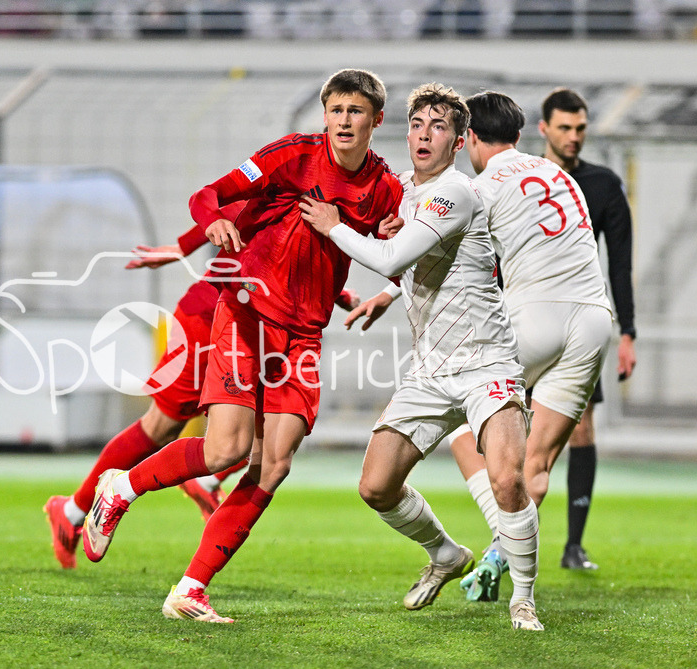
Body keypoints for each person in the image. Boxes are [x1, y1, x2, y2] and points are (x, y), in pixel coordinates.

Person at [81, 68, 404, 623]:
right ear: (324, 115)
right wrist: (211, 226)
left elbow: (391, 243)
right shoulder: (292, 156)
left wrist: (392, 260)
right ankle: (120, 489)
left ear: (376, 120)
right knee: (224, 451)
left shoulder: (386, 188)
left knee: (273, 465)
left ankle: (190, 589)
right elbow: (209, 195)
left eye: (356, 112)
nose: (343, 121)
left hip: (303, 334)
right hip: (247, 312)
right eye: (335, 110)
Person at [310, 83, 543, 631]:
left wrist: (334, 225)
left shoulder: (456, 192)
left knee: (508, 479)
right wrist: (390, 280)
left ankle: (524, 598)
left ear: (459, 142)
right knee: (375, 486)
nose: (424, 135)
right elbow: (409, 256)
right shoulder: (410, 198)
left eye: (438, 127)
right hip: (430, 369)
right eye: (417, 124)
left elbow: (392, 253)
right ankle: (443, 552)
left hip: (486, 362)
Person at [425, 90, 613, 603]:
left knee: (458, 412)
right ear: (520, 134)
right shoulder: (561, 177)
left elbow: (443, 258)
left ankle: (495, 528)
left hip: (536, 315)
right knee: (537, 464)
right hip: (594, 321)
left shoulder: (480, 187)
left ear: (468, 140)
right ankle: (498, 555)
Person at [43, 214, 250, 570]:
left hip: (254, 323)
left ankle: (208, 480)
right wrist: (182, 247)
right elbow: (212, 201)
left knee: (273, 420)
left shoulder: (317, 187)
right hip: (209, 315)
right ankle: (76, 508)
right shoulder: (285, 172)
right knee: (161, 426)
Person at [539, 87, 637, 571]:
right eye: (564, 128)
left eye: (580, 128)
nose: (573, 137)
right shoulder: (520, 180)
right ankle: (507, 539)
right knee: (512, 430)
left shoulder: (603, 185)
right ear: (544, 129)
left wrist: (628, 332)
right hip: (523, 322)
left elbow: (619, 266)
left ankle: (573, 544)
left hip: (580, 323)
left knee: (580, 427)